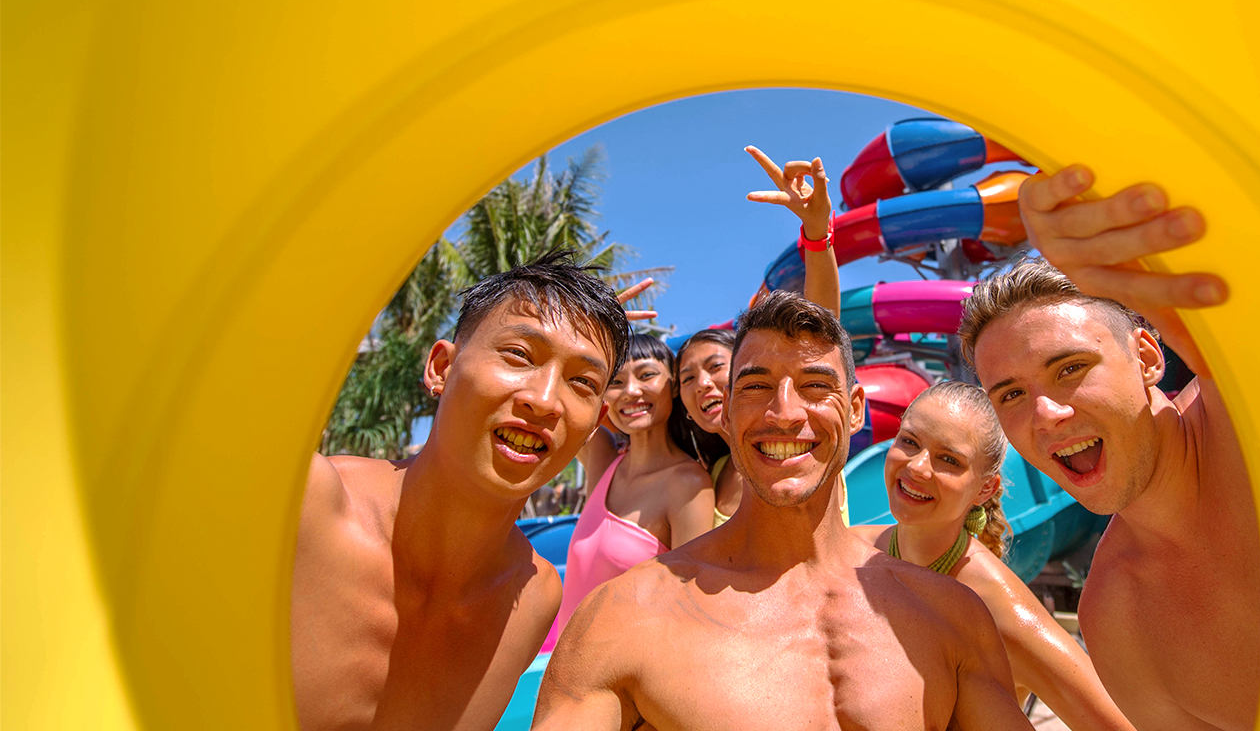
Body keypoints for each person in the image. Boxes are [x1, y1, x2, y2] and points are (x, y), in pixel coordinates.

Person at [532, 292, 1032, 731]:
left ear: (855, 408)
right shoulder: (625, 619)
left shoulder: (949, 615)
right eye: (755, 386)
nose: (786, 412)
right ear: (724, 412)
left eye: (816, 385)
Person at [959, 165, 1260, 731]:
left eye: (1070, 368)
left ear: (1148, 358)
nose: (1045, 414)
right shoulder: (1117, 615)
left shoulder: (1258, 421)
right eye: (1011, 394)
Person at [291, 251, 631, 731]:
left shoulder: (532, 594)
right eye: (519, 355)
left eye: (582, 381)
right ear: (441, 368)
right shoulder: (308, 508)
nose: (544, 399)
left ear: (595, 424)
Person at [853, 381, 1136, 731]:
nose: (918, 468)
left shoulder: (998, 609)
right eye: (909, 442)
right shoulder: (850, 557)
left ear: (985, 488)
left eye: (948, 460)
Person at [675, 144, 847, 525]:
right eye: (687, 378)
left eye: (715, 366)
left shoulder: (807, 440)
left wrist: (818, 234)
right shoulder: (710, 475)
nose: (703, 384)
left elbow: (821, 334)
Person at [542, 333, 714, 650]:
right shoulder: (604, 458)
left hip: (623, 687)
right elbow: (562, 392)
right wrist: (595, 330)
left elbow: (691, 610)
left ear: (674, 386)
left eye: (647, 375)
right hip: (564, 672)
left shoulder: (688, 485)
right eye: (617, 382)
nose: (631, 391)